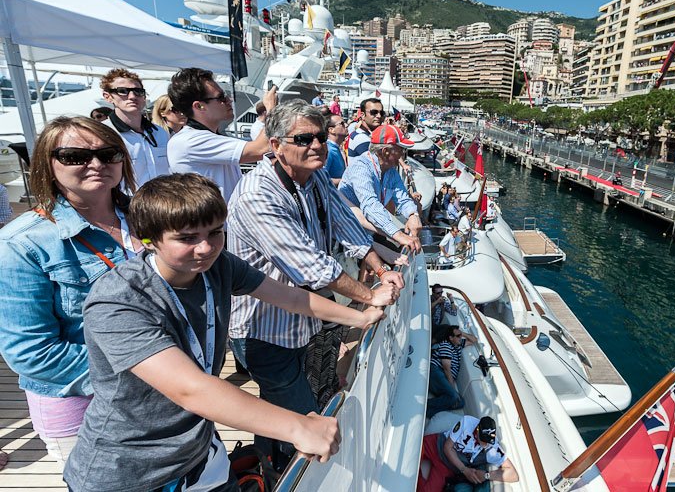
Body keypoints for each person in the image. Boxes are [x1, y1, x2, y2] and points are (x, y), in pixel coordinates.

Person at [63, 173, 383, 491]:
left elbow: (290, 296)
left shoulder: (218, 265)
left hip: (202, 457)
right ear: (147, 238)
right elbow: (190, 389)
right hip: (131, 472)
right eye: (187, 237)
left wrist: (359, 318)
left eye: (215, 232)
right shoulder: (119, 300)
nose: (205, 247)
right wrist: (299, 426)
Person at [227, 101, 402, 467]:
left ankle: (267, 465)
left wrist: (382, 271)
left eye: (320, 137)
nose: (317, 145)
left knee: (279, 409)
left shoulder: (314, 175)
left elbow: (346, 224)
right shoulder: (259, 195)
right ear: (275, 145)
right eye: (304, 138)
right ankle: (283, 470)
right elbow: (311, 267)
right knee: (305, 422)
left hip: (300, 322)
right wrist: (371, 296)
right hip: (263, 329)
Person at [0, 117, 139, 466]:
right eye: (75, 156)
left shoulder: (146, 218)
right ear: (48, 164)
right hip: (84, 407)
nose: (96, 164)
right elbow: (31, 352)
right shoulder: (22, 243)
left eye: (108, 153)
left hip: (164, 394)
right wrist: (150, 370)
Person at [167, 68, 277, 201]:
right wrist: (271, 109)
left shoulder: (206, 136)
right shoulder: (187, 140)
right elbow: (261, 149)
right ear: (199, 106)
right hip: (213, 221)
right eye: (221, 98)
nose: (229, 100)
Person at [338, 124, 423, 252]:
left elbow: (402, 198)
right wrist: (398, 235)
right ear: (385, 151)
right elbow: (370, 205)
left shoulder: (390, 171)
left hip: (369, 231)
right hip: (348, 235)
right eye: (400, 149)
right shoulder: (361, 167)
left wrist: (413, 215)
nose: (402, 154)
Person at [100, 68, 170, 188]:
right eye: (123, 91)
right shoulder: (102, 134)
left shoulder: (160, 133)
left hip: (164, 203)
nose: (132, 96)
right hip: (126, 205)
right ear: (108, 97)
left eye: (138, 91)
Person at [418, 415, 519, 492]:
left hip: (447, 467)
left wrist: (486, 475)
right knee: (411, 452)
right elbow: (447, 447)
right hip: (435, 445)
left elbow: (513, 475)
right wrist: (464, 470)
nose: (485, 444)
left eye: (488, 440)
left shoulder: (492, 448)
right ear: (477, 430)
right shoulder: (467, 422)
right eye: (483, 439)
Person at [347, 97, 385, 165]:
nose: (379, 116)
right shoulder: (360, 137)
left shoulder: (368, 135)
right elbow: (378, 163)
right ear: (363, 115)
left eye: (381, 113)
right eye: (374, 112)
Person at [323, 112, 349, 185]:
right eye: (342, 124)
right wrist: (346, 182)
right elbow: (322, 179)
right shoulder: (329, 150)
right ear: (331, 130)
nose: (346, 125)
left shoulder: (335, 148)